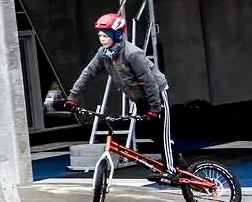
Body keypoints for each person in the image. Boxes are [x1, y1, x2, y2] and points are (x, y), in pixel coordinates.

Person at [61, 12, 181, 183]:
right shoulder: (103, 53)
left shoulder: (132, 54)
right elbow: (88, 73)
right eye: (100, 36)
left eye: (105, 35)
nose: (102, 39)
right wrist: (73, 96)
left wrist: (155, 107)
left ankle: (171, 171)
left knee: (162, 133)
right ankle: (177, 158)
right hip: (139, 98)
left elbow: (149, 82)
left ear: (116, 35)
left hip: (156, 94)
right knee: (148, 131)